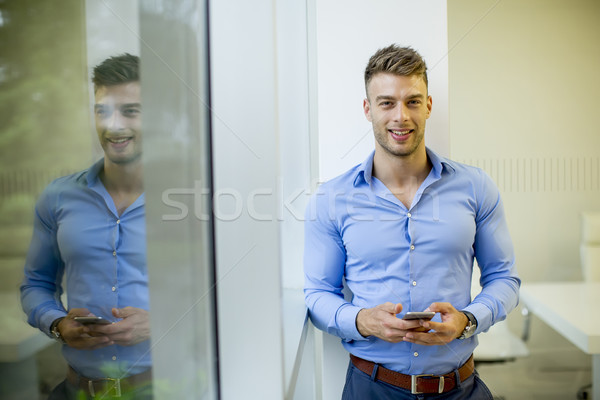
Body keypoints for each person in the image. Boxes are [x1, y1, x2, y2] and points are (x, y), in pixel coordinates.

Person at [304, 44, 520, 399]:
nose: (401, 116)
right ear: (368, 109)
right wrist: (363, 321)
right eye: (387, 102)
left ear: (429, 106)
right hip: (370, 389)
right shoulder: (332, 199)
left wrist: (467, 320)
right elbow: (317, 295)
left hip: (461, 388)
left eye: (413, 101)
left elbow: (504, 278)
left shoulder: (476, 186)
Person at [20, 53, 152, 400]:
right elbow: (35, 284)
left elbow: (224, 296)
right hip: (76, 391)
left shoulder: (188, 199)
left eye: (131, 111)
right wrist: (59, 324)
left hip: (166, 389)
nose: (113, 125)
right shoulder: (57, 196)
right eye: (102, 111)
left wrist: (160, 322)